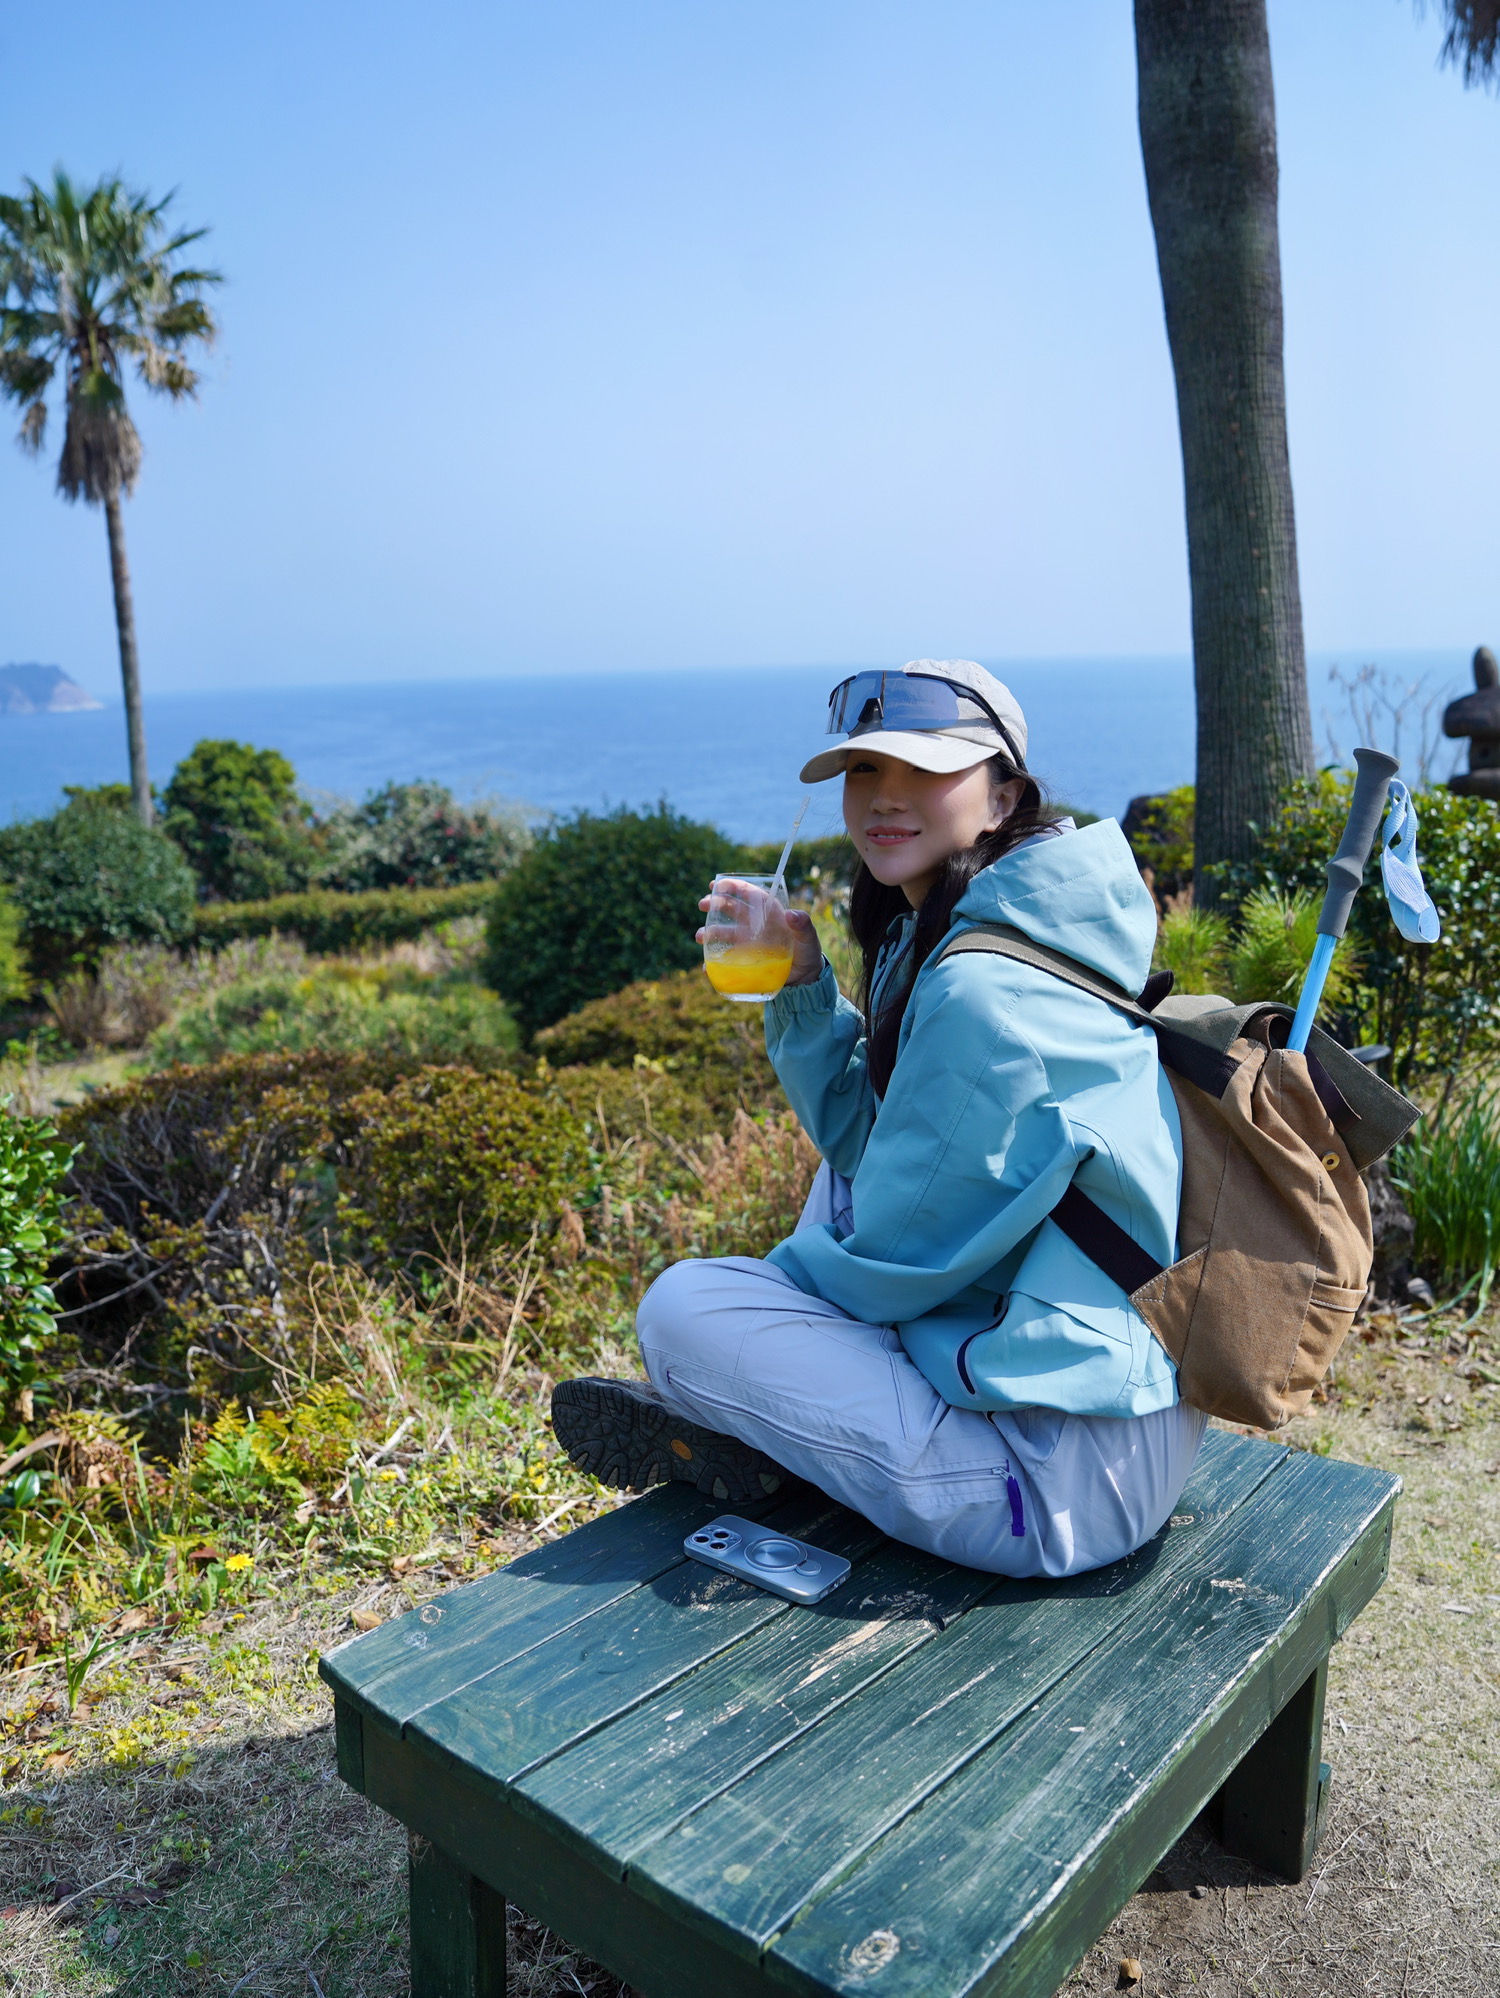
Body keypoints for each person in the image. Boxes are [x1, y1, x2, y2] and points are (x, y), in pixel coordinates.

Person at [552, 660, 1205, 1577]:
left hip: (1052, 1479)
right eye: (865, 769)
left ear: (1003, 795)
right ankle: (760, 1419)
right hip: (1089, 1409)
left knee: (680, 1312)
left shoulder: (985, 992)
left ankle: (742, 1416)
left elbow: (898, 1253)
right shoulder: (976, 926)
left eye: (925, 767)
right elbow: (874, 1151)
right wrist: (806, 983)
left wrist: (769, 1309)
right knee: (843, 1178)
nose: (885, 796)